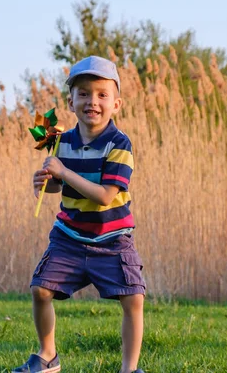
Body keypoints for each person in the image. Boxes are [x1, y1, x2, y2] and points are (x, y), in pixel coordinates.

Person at [12, 56, 146, 373]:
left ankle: (129, 368)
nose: (92, 101)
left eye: (102, 94)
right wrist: (47, 181)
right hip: (70, 237)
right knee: (40, 289)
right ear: (71, 102)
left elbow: (104, 196)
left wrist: (63, 172)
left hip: (112, 239)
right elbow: (61, 185)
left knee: (133, 299)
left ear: (116, 103)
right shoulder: (61, 141)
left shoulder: (119, 143)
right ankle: (47, 357)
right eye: (83, 93)